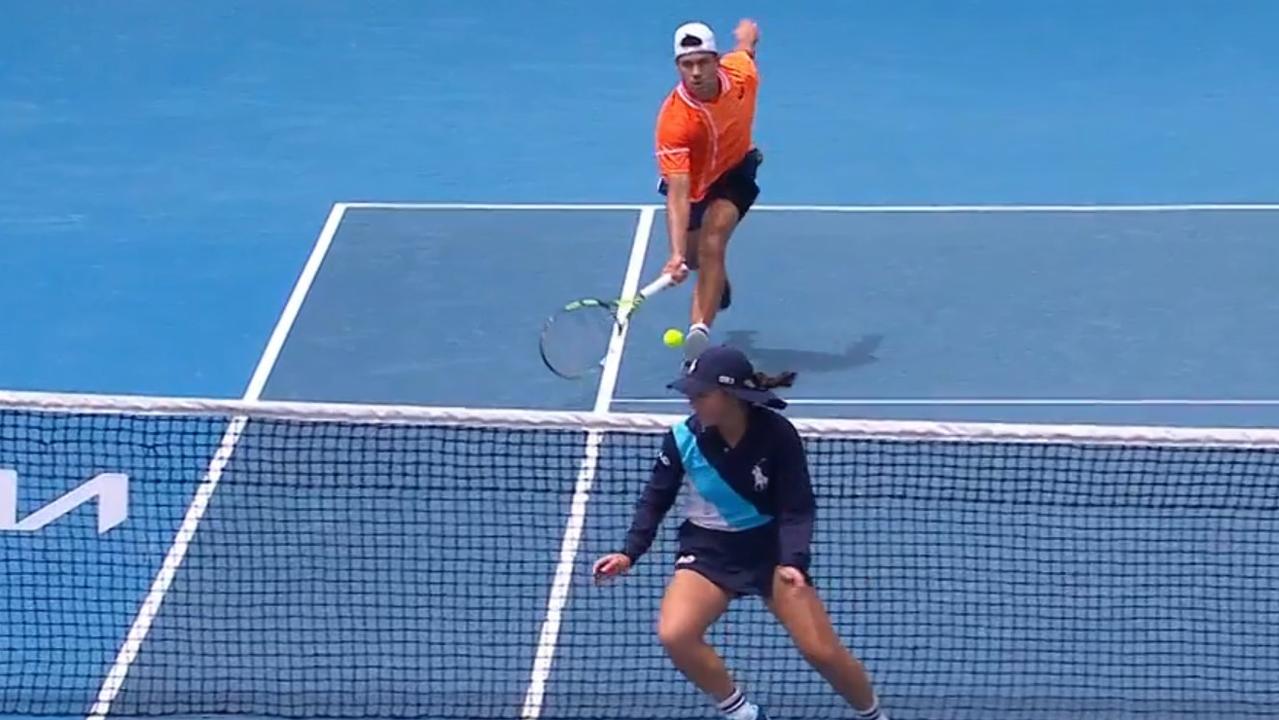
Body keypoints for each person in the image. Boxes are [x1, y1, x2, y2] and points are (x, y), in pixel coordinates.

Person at [592, 346, 888, 720]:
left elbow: (796, 508)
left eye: (701, 394)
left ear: (731, 396)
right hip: (708, 551)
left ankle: (875, 716)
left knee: (821, 651)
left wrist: (793, 560)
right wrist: (629, 553)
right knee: (675, 633)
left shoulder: (777, 435)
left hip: (769, 552)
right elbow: (656, 498)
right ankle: (743, 712)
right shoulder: (684, 437)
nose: (691, 402)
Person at [655, 20, 766, 364]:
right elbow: (678, 191)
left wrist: (747, 36)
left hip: (736, 169)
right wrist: (675, 254)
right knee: (693, 258)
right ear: (678, 67)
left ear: (717, 60)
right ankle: (716, 281)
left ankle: (697, 335)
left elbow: (746, 51)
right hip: (694, 183)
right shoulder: (674, 121)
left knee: (713, 239)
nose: (696, 72)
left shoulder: (741, 74)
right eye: (687, 65)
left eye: (703, 62)